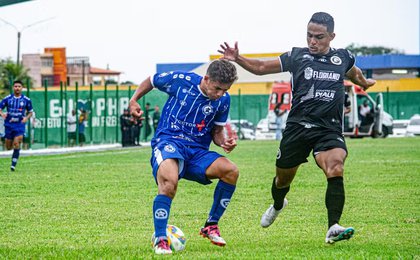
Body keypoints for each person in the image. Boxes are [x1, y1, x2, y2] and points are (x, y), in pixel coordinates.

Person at [219, 12, 376, 244]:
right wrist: (238, 58)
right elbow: (262, 67)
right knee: (282, 180)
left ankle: (333, 226)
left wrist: (364, 83)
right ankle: (278, 204)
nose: (312, 41)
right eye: (309, 36)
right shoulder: (297, 56)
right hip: (297, 128)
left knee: (335, 167)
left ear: (332, 36)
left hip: (328, 129)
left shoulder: (343, 57)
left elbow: (355, 73)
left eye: (319, 37)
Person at [129, 59, 239, 255]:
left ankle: (211, 226)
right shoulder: (180, 79)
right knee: (169, 184)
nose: (221, 94)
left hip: (197, 152)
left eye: (225, 89)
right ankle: (161, 239)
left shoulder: (223, 99)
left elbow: (217, 131)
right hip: (169, 142)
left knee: (231, 171)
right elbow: (152, 80)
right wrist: (134, 99)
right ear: (206, 79)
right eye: (217, 88)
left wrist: (224, 142)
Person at [0, 80, 34, 171]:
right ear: (13, 88)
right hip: (9, 125)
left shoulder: (26, 100)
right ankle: (8, 141)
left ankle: (13, 165)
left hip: (19, 125)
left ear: (22, 88)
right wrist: (2, 114)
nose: (17, 88)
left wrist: (26, 118)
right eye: (15, 86)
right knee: (8, 147)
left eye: (19, 86)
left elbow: (30, 112)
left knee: (16, 143)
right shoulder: (8, 99)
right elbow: (0, 108)